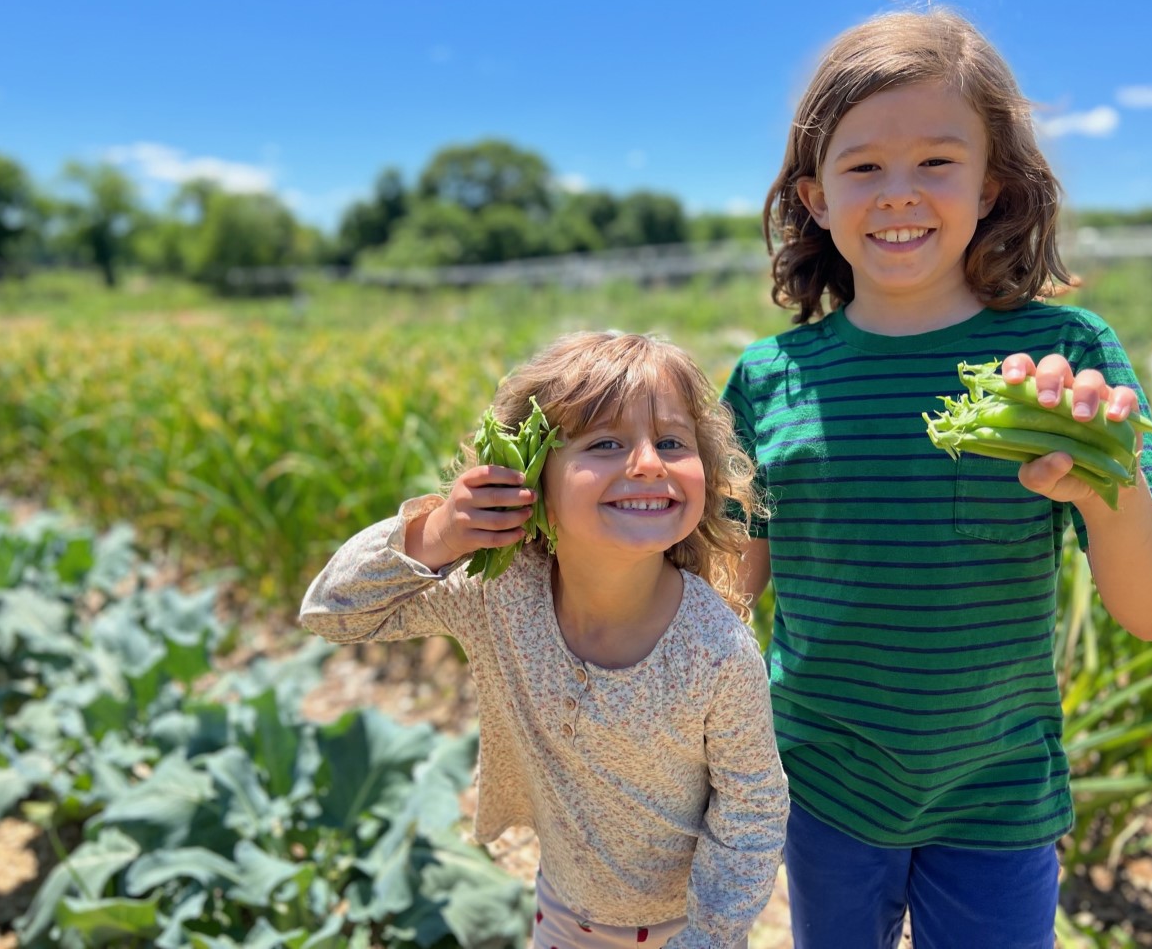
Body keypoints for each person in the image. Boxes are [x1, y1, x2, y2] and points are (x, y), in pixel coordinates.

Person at [720, 7, 1152, 949]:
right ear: (815, 197)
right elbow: (727, 592)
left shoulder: (1064, 358)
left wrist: (1108, 479)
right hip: (823, 782)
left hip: (998, 791)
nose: (899, 192)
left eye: (937, 161)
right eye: (863, 167)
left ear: (993, 187)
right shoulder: (769, 379)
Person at [301, 331, 789, 948]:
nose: (646, 462)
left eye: (671, 441)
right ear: (529, 478)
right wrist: (439, 534)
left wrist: (709, 938)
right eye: (606, 443)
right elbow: (332, 611)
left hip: (688, 931)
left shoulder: (716, 650)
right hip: (561, 916)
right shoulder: (499, 596)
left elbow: (753, 812)